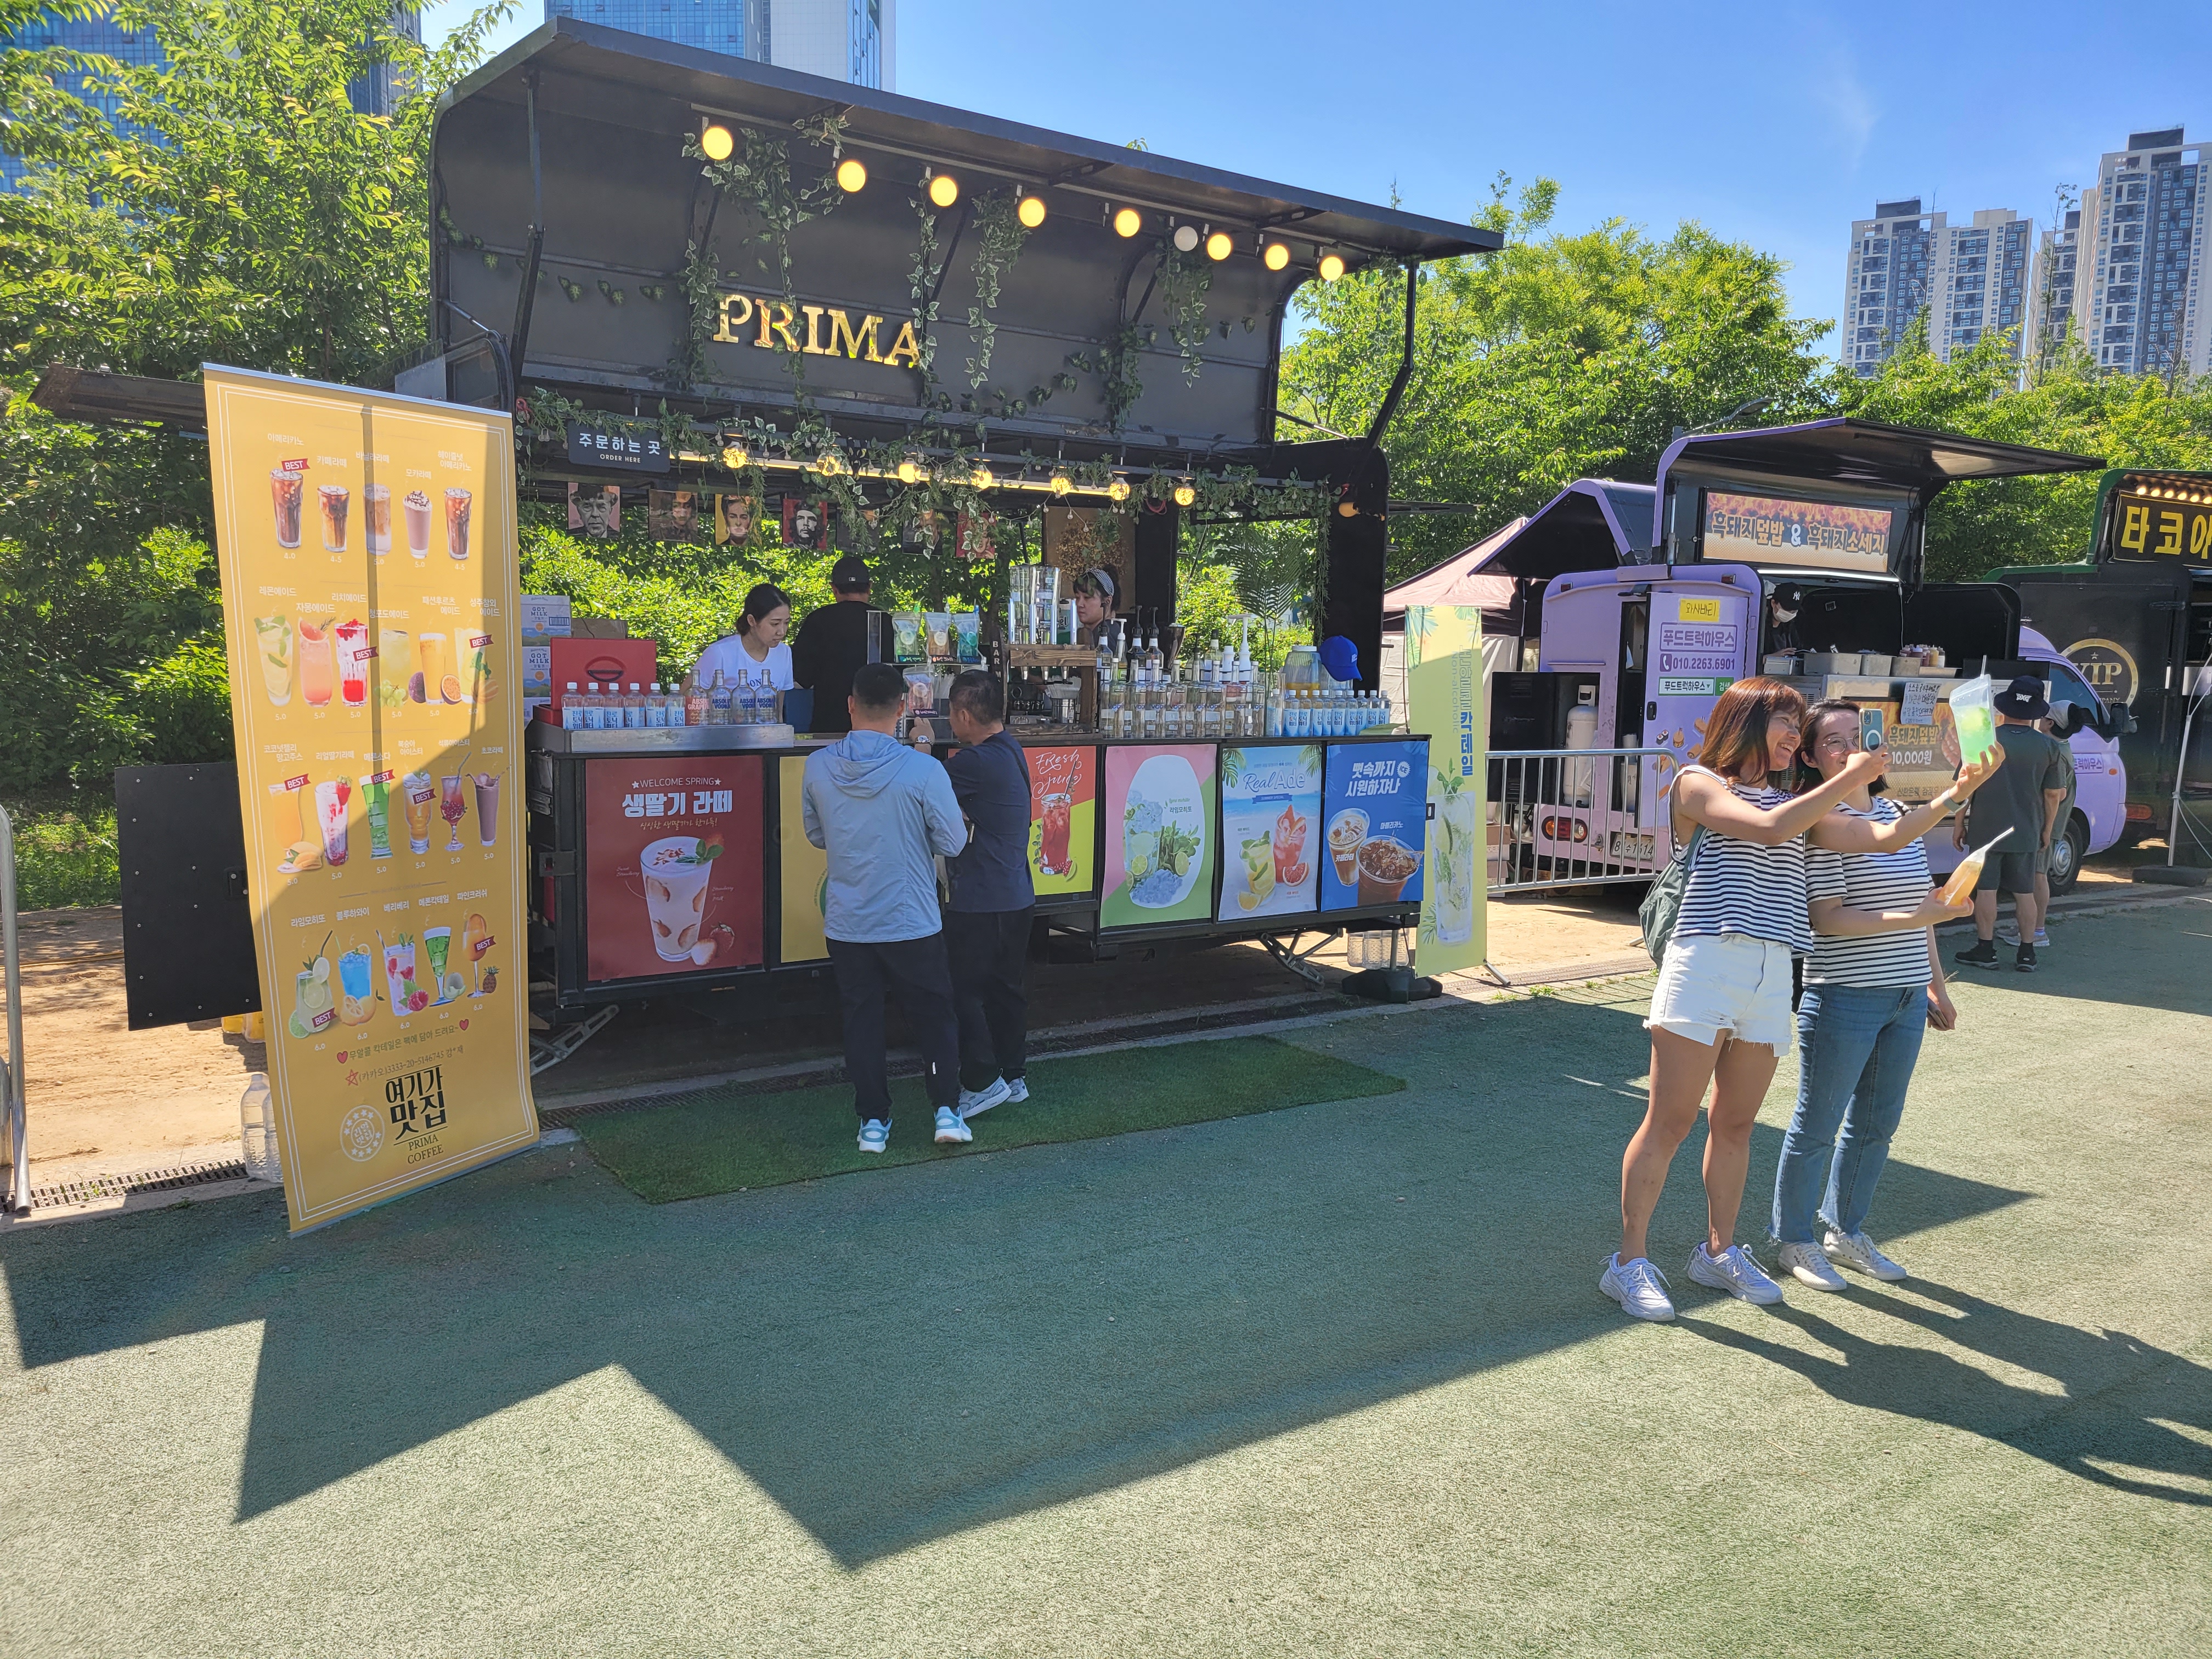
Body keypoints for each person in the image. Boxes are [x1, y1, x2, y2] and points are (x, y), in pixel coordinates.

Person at [1602, 678, 1887, 1323]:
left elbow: (1879, 838)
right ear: (1746, 722)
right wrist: (1848, 778)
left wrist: (1963, 788)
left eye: (1798, 724)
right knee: (1670, 1121)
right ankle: (1628, 1262)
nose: (1795, 735)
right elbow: (1766, 830)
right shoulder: (1697, 782)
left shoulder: (1795, 801)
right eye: (1786, 721)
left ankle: (1719, 1252)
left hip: (1773, 967)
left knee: (1735, 1125)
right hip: (1705, 959)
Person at [1770, 699, 1988, 1291]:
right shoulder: (1821, 820)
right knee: (1817, 1124)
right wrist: (1919, 915)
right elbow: (1829, 919)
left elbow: (1923, 909)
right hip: (1843, 993)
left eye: (1859, 736)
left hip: (1904, 996)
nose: (1851, 750)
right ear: (1811, 758)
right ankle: (1794, 1240)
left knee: (1876, 1124)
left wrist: (1933, 983)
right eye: (1834, 742)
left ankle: (1844, 1232)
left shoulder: (1896, 812)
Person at [802, 662, 972, 1152]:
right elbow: (953, 842)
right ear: (902, 708)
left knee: (862, 1020)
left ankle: (872, 1123)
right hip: (911, 917)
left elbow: (816, 834)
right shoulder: (924, 769)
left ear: (850, 705)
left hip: (849, 920)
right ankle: (946, 1111)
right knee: (934, 1017)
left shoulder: (818, 766)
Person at [920, 670, 1035, 1122]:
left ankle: (983, 1082)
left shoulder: (975, 763)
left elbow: (923, 784)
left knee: (962, 991)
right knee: (1006, 990)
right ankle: (1013, 1074)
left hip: (981, 898)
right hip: (1016, 894)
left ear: (965, 716)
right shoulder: (1010, 749)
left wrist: (923, 744)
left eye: (950, 713)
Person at [1953, 676, 2069, 974]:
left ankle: (1985, 949)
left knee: (1986, 891)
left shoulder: (1983, 741)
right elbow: (2053, 794)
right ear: (2036, 712)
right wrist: (2047, 829)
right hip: (2027, 829)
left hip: (1985, 829)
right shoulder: (2048, 746)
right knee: (2024, 892)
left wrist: (1958, 824)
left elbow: (1964, 788)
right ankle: (2027, 953)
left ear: (2003, 708)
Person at [2005, 699, 2083, 951]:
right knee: (2033, 875)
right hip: (2046, 823)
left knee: (2038, 875)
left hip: (2046, 823)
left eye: (2043, 716)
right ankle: (2027, 927)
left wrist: (2046, 828)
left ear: (2049, 724)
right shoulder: (2060, 747)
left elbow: (2057, 793)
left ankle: (2037, 931)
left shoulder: (2055, 751)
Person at [790, 555, 882, 736]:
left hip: (829, 728)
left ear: (834, 588)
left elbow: (801, 676)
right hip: (879, 727)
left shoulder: (817, 620)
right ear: (869, 587)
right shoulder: (886, 621)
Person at [691, 583, 794, 697]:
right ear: (752, 621)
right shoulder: (720, 653)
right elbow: (688, 697)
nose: (782, 632)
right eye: (775, 624)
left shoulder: (784, 652)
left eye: (786, 623)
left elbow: (778, 705)